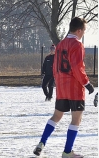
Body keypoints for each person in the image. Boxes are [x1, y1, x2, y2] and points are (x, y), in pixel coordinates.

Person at [33, 17, 94, 158]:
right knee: (76, 119)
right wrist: (87, 84)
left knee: (56, 116)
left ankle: (41, 143)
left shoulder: (60, 45)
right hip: (75, 88)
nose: (84, 33)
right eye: (84, 30)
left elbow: (55, 67)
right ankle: (67, 152)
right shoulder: (77, 45)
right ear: (78, 30)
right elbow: (77, 67)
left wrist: (57, 82)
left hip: (61, 87)